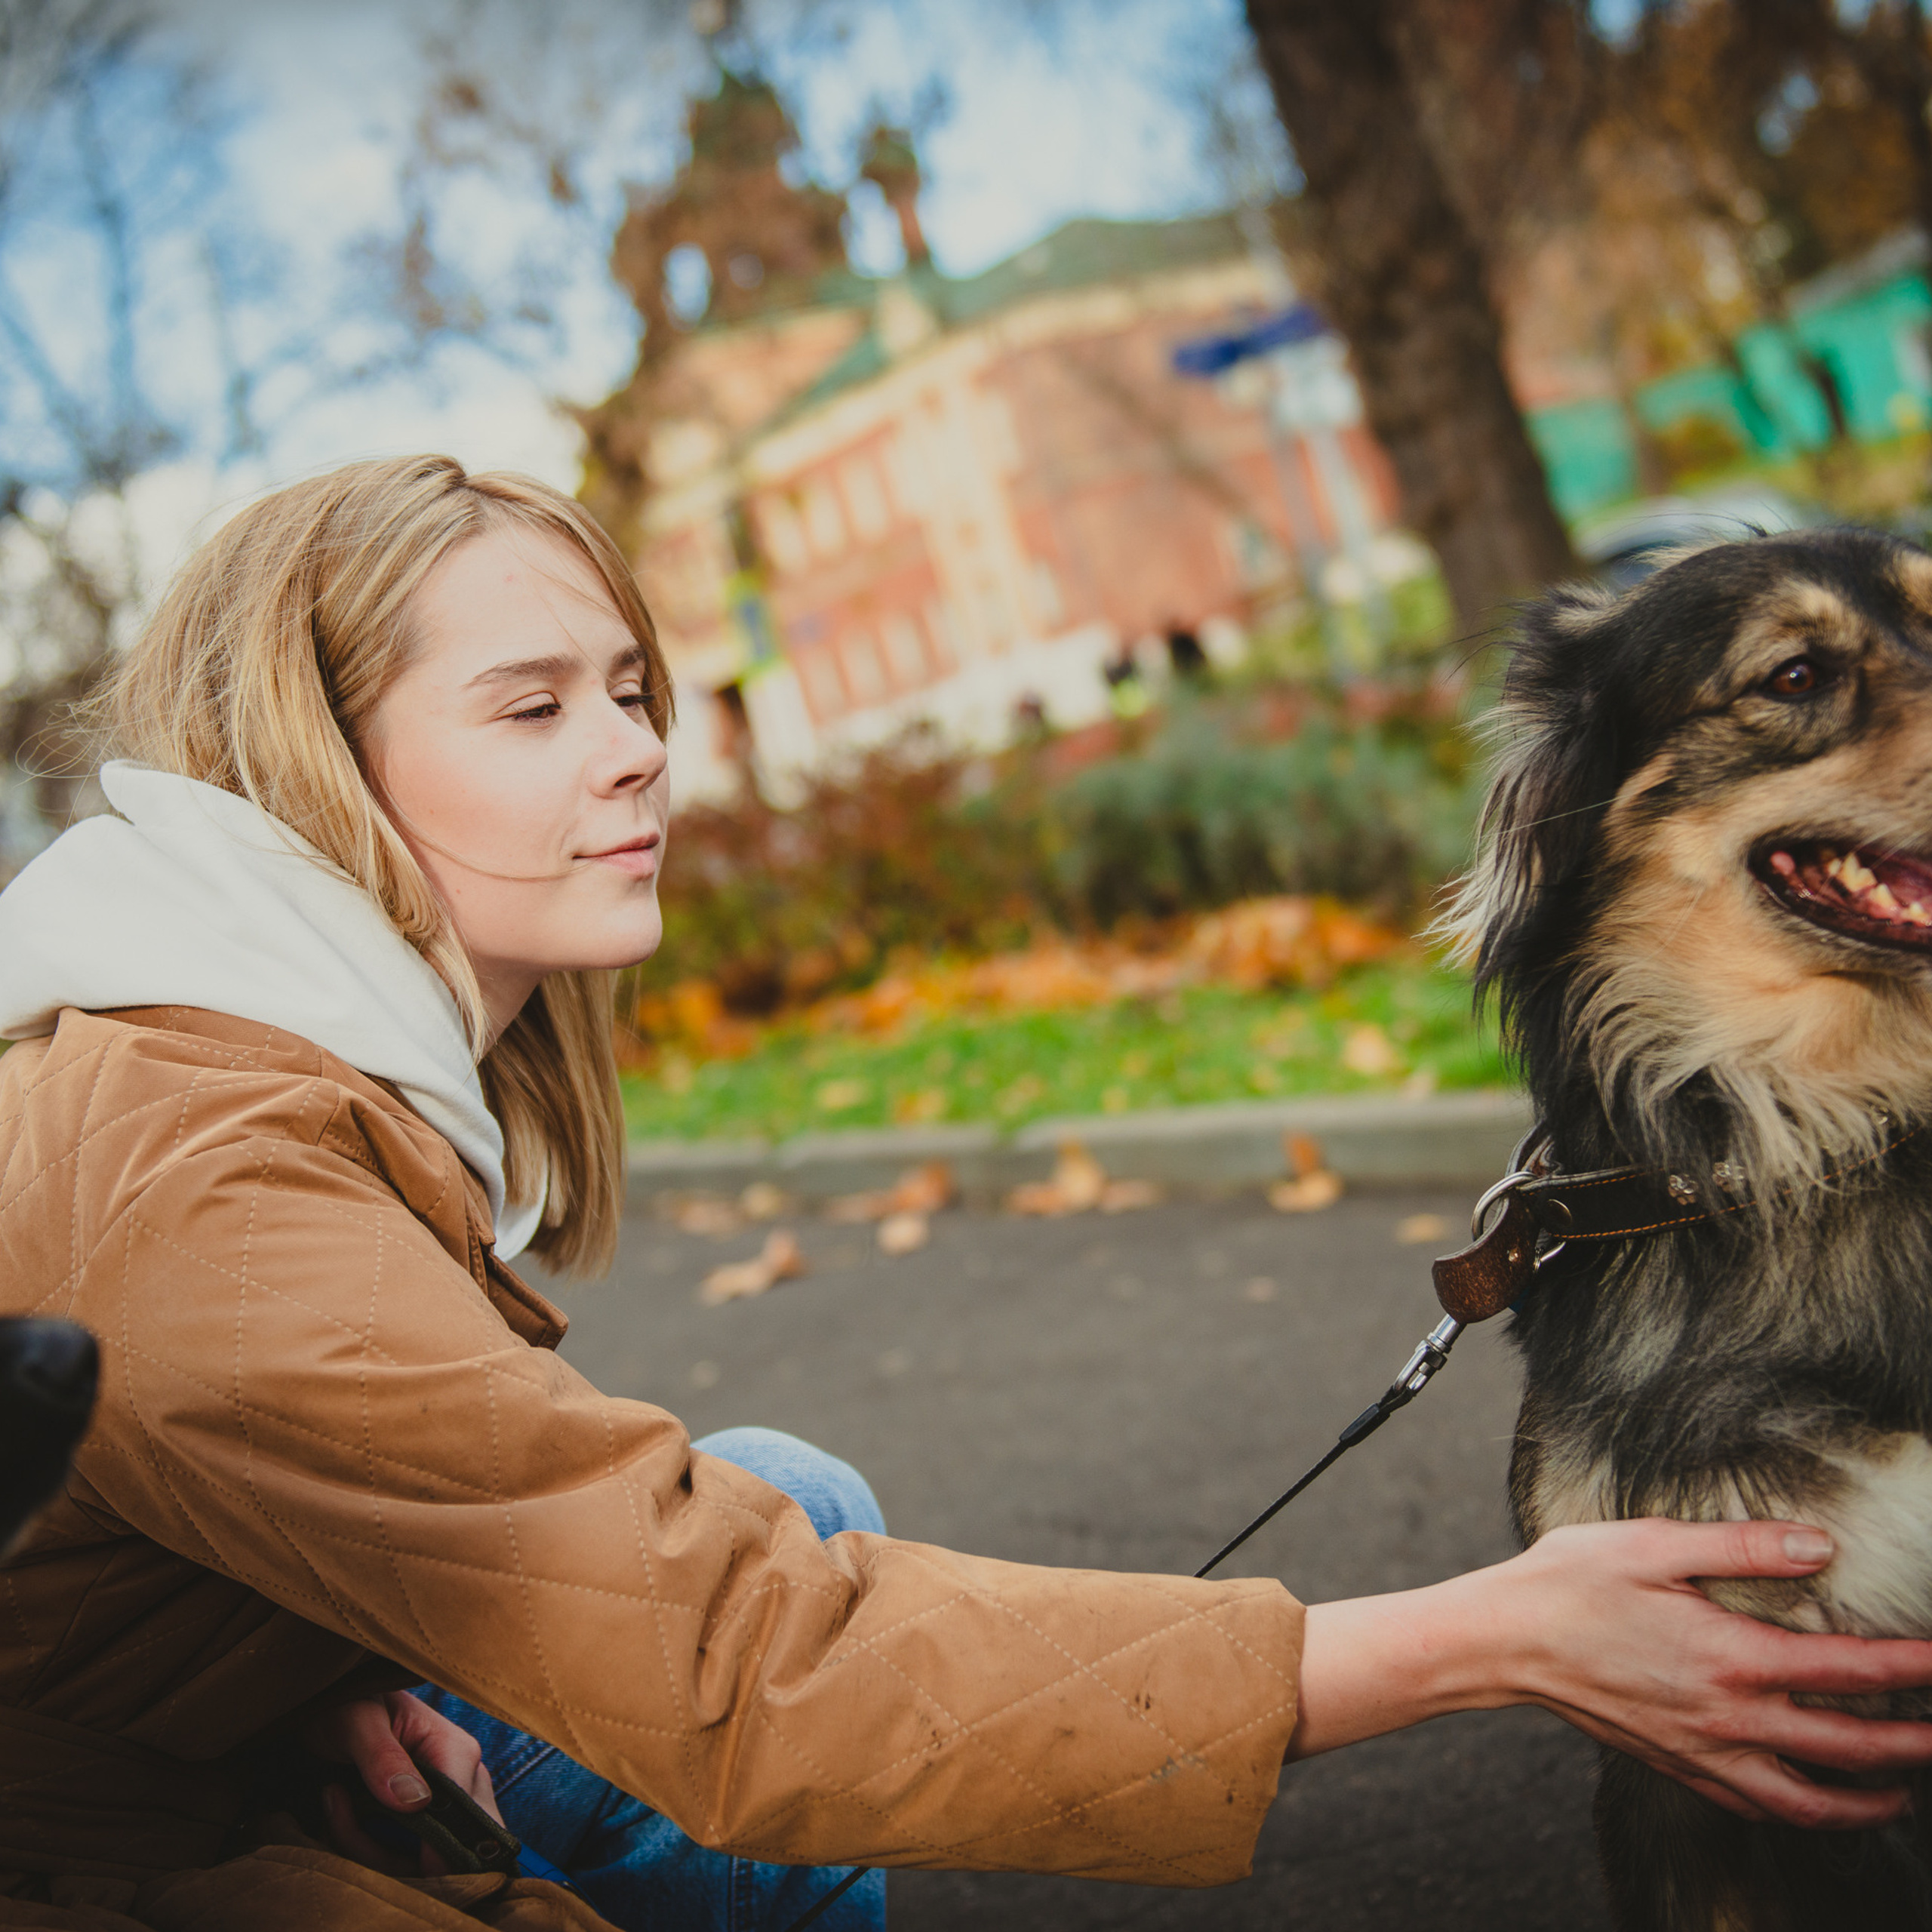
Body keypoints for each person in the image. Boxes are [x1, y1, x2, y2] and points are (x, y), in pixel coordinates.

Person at [2, 455, 1930, 1932]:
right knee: (775, 1581)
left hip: (181, 1766)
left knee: (784, 1485)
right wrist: (1478, 1634)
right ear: (315, 764)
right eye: (534, 710)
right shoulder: (209, 1177)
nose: (639, 749)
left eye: (629, 685)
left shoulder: (263, 1044)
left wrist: (310, 1668)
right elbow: (752, 1667)